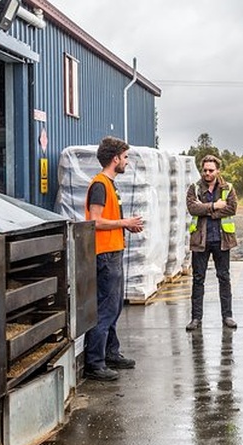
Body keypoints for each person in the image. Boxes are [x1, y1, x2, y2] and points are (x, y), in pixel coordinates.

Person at [84, 136, 144, 381]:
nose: (127, 162)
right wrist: (124, 222)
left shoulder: (110, 184)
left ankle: (111, 352)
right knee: (106, 308)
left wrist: (125, 227)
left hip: (113, 252)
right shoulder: (99, 185)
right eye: (125, 157)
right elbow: (94, 221)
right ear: (115, 158)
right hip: (104, 255)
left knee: (115, 306)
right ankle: (94, 363)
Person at [185, 155, 238, 331]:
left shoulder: (228, 187)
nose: (207, 173)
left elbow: (232, 208)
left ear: (218, 171)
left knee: (224, 278)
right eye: (205, 170)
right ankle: (195, 318)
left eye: (211, 170)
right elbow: (192, 208)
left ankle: (228, 315)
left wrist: (205, 209)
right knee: (198, 279)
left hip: (222, 240)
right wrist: (215, 206)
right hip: (201, 240)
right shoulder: (194, 187)